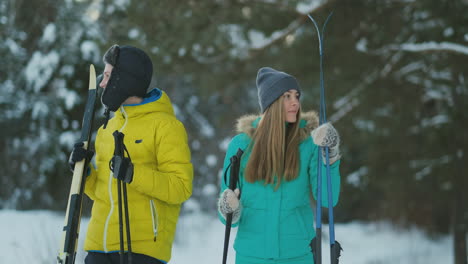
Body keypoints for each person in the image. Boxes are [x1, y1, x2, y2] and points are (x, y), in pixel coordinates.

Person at [69, 44, 193, 264]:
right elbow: (102, 193)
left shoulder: (166, 126)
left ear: (124, 79)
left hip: (141, 249)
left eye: (107, 75)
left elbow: (180, 187)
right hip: (99, 247)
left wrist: (133, 174)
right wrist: (84, 173)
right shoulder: (107, 128)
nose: (102, 83)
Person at [217, 67, 341, 264]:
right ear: (271, 102)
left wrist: (331, 156)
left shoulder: (308, 144)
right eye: (287, 96)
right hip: (252, 256)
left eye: (297, 96)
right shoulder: (241, 146)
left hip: (298, 255)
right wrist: (229, 206)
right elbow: (227, 218)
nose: (295, 102)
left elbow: (327, 198)